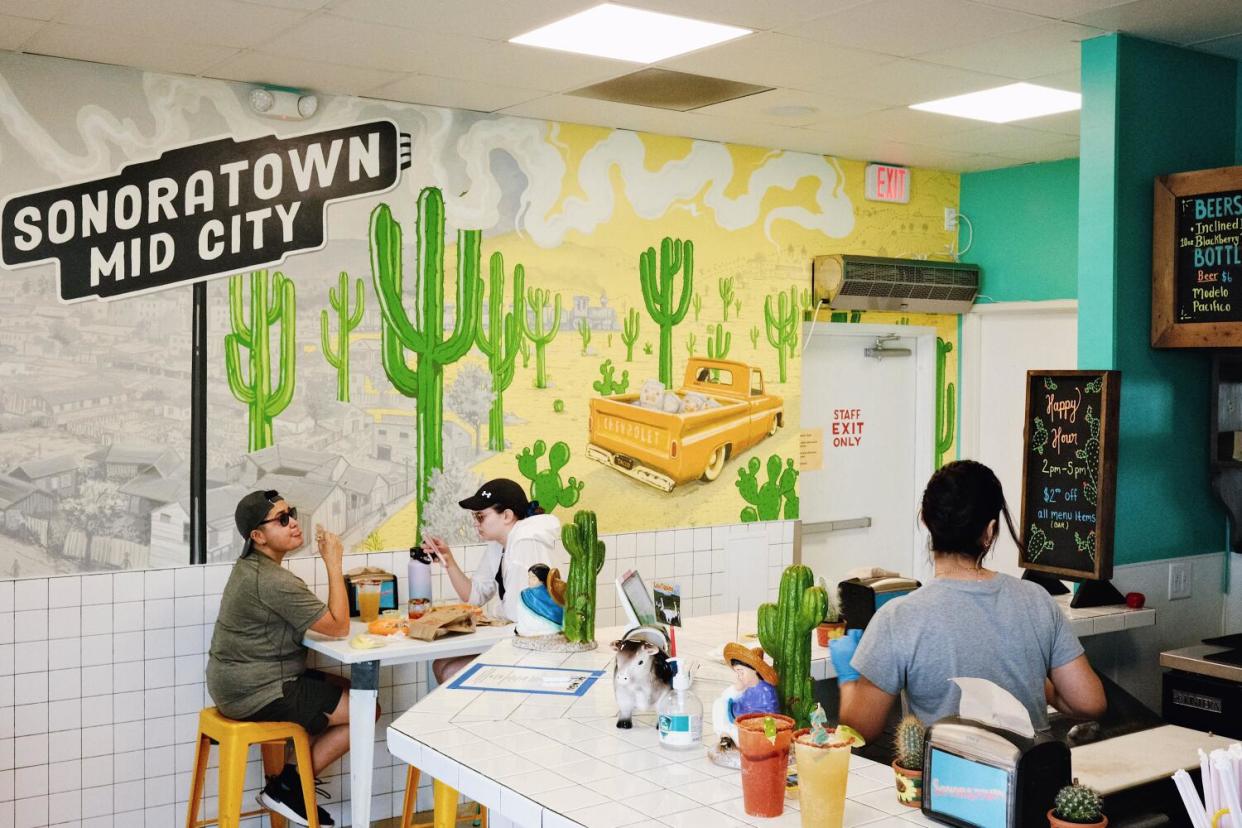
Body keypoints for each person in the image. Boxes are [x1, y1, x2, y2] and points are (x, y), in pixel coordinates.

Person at [830, 460, 1107, 743]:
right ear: (989, 531)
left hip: (950, 783)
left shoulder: (899, 617)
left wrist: (848, 677)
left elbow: (860, 729)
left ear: (926, 522)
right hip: (1031, 780)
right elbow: (1088, 703)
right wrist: (1034, 677)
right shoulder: (1037, 600)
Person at [206, 490, 363, 827]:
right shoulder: (273, 581)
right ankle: (288, 786)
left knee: (356, 690)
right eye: (281, 519)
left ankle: (288, 783)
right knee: (366, 708)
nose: (293, 522)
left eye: (290, 513)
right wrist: (334, 562)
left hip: (236, 685)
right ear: (258, 536)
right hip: (257, 691)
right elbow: (338, 626)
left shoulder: (252, 569)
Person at [421, 478, 561, 683]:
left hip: (539, 649)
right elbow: (474, 596)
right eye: (474, 517)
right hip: (519, 640)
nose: (475, 524)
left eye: (481, 516)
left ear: (506, 515)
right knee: (441, 664)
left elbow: (516, 611)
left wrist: (491, 614)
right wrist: (449, 561)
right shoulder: (500, 543)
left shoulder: (526, 541)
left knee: (450, 671)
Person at [514, 563, 565, 637]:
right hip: (528, 628)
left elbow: (558, 612)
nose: (529, 580)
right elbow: (522, 617)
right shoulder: (524, 595)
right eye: (529, 577)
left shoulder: (553, 594)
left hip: (552, 627)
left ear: (542, 579)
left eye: (533, 578)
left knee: (553, 628)